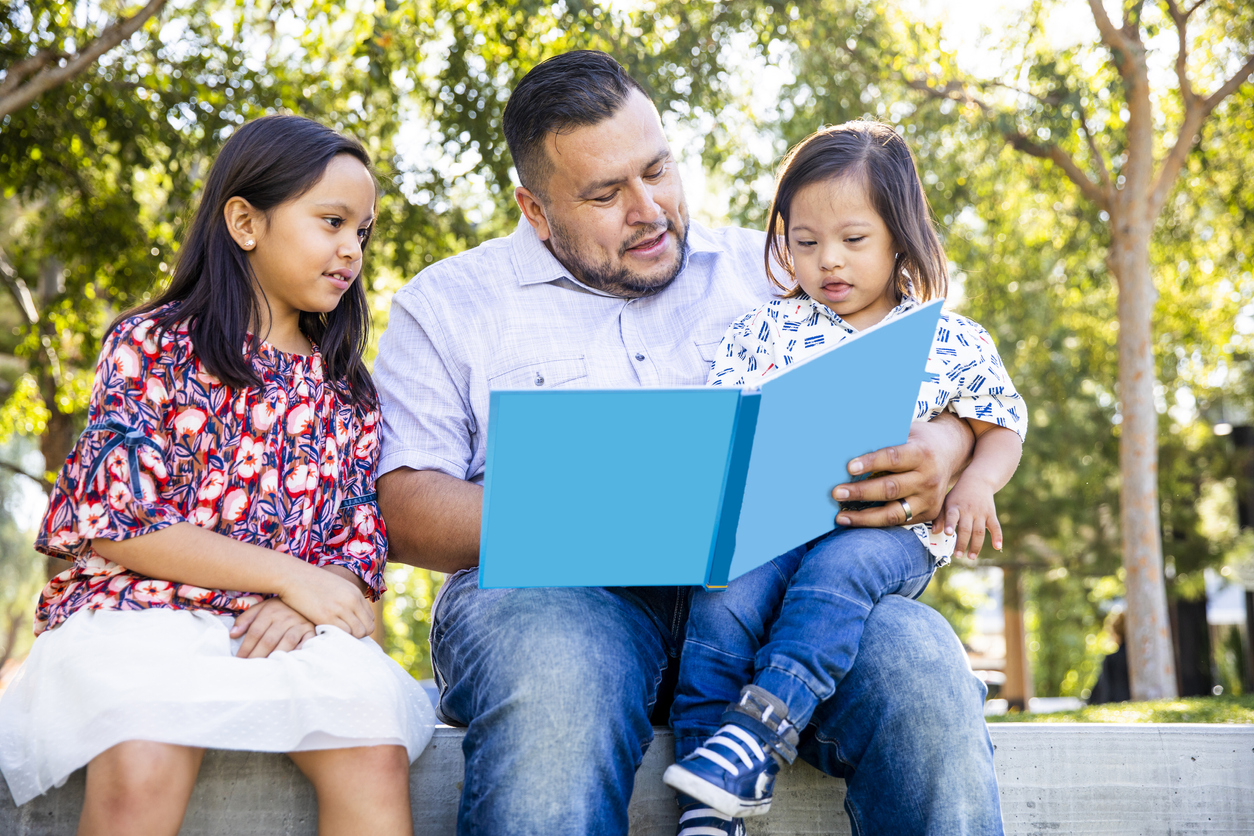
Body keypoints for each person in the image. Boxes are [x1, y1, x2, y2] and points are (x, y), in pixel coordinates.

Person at [375, 50, 1000, 836]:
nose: (650, 208)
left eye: (658, 169)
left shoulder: (780, 267)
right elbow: (402, 507)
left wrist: (941, 449)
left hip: (780, 596)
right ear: (535, 210)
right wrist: (615, 518)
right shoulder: (449, 304)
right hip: (555, 601)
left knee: (922, 668)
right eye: (606, 194)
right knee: (558, 682)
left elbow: (935, 364)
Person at [0, 116, 434, 835]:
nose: (351, 250)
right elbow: (122, 523)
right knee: (144, 754)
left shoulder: (346, 388)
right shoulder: (152, 345)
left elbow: (355, 551)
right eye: (332, 221)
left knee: (372, 748)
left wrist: (305, 601)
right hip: (140, 613)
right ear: (244, 221)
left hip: (281, 628)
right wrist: (290, 577)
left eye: (363, 232)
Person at [662, 121, 1025, 826]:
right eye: (805, 242)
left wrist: (976, 482)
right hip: (777, 520)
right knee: (722, 596)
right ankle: (708, 790)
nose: (828, 260)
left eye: (854, 240)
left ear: (900, 237)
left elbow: (1001, 423)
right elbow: (722, 429)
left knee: (839, 574)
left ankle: (760, 731)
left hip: (886, 530)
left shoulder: (947, 337)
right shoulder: (764, 328)